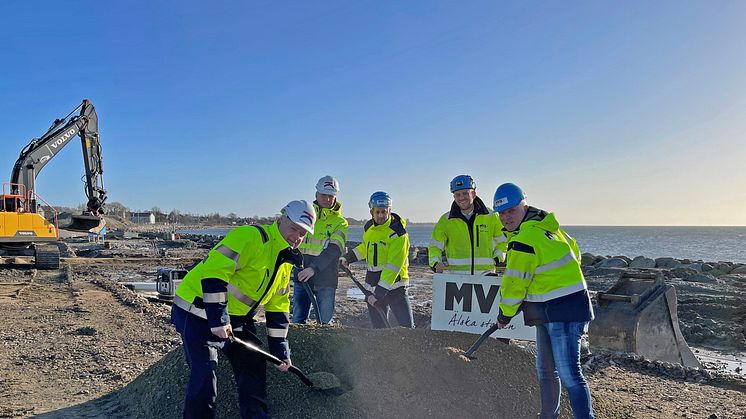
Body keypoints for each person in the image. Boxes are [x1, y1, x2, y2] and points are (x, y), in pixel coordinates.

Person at [170, 200, 316, 419]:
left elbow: (278, 308)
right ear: (281, 219)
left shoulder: (285, 262)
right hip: (196, 311)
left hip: (236, 321)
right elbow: (214, 273)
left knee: (253, 365)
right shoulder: (250, 237)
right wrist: (218, 319)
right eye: (294, 228)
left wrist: (280, 352)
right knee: (205, 372)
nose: (296, 236)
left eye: (302, 233)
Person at [493, 183, 595, 419]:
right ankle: (548, 416)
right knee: (546, 370)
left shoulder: (525, 239)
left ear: (524, 206)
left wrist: (504, 315)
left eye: (511, 211)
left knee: (570, 373)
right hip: (548, 310)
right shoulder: (546, 226)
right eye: (502, 213)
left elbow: (514, 284)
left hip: (565, 311)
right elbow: (575, 252)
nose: (506, 217)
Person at [341, 191, 414, 328]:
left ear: (390, 211)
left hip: (395, 288)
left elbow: (393, 266)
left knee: (407, 329)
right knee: (379, 330)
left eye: (384, 212)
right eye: (377, 212)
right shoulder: (369, 228)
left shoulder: (398, 234)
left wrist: (379, 293)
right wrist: (348, 258)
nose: (381, 215)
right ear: (371, 212)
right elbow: (365, 248)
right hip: (373, 286)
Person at [293, 176, 348, 324]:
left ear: (335, 196)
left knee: (324, 322)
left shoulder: (340, 223)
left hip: (326, 279)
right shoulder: (306, 215)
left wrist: (313, 268)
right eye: (324, 195)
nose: (327, 199)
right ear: (316, 194)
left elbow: (334, 250)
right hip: (302, 276)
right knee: (298, 320)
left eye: (331, 196)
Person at [428, 175, 507, 275]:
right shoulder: (446, 220)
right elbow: (434, 246)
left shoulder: (491, 216)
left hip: (486, 276)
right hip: (457, 279)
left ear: (473, 194)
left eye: (465, 193)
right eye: (457, 195)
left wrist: (497, 258)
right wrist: (435, 263)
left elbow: (503, 242)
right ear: (454, 197)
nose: (461, 198)